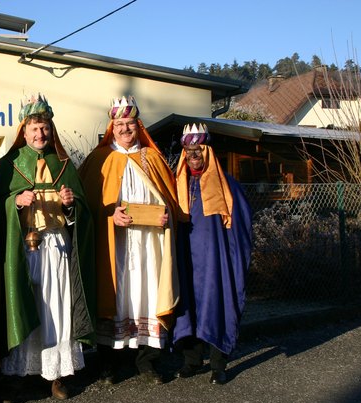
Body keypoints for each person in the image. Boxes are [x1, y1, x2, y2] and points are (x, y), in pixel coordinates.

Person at [0, 93, 96, 403]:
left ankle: (56, 374)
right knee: (25, 304)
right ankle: (17, 376)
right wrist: (15, 202)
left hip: (56, 246)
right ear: (23, 131)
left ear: (51, 130)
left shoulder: (64, 164)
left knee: (56, 307)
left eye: (45, 128)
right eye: (34, 128)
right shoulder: (9, 165)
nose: (40, 134)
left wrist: (69, 205)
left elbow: (82, 210)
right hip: (23, 248)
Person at [79, 95, 179, 385]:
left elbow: (170, 202)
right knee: (116, 296)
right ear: (112, 127)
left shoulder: (153, 158)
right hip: (114, 247)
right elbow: (86, 207)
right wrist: (109, 216)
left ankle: (147, 362)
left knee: (146, 295)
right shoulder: (99, 160)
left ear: (139, 125)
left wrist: (166, 217)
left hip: (150, 246)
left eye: (130, 123)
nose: (125, 129)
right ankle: (109, 363)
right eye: (119, 124)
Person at [172, 123, 253, 385]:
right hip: (185, 259)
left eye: (198, 150)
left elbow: (241, 229)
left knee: (217, 304)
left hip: (215, 263)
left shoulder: (228, 186)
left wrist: (232, 261)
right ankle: (191, 361)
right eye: (189, 150)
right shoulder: (176, 185)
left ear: (208, 151)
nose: (193, 155)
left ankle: (218, 364)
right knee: (187, 308)